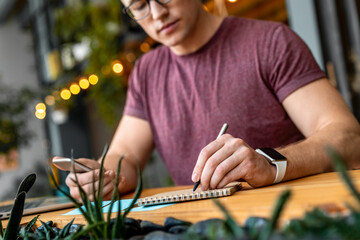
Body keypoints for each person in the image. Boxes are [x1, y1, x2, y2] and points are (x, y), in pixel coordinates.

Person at [58, 0, 360, 200]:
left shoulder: (270, 42)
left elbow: (348, 138)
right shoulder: (147, 72)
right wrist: (101, 177)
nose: (157, 12)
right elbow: (125, 155)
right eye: (139, 5)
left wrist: (271, 163)